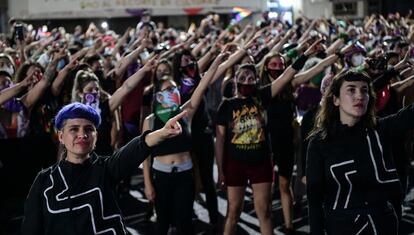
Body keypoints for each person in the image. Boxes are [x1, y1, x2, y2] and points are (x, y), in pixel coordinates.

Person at [21, 102, 187, 234]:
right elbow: (31, 228)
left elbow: (134, 150)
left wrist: (161, 133)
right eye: (74, 129)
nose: (82, 135)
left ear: (96, 136)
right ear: (61, 137)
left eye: (88, 129)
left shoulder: (105, 168)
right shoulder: (44, 181)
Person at [306, 70, 414, 234]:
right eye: (351, 90)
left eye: (364, 90)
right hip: (342, 227)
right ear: (335, 100)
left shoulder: (381, 129)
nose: (360, 96)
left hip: (384, 225)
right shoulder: (319, 142)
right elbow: (314, 199)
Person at [142, 52, 227, 235]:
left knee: (185, 223)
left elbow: (201, 85)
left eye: (173, 90)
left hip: (184, 174)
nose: (170, 94)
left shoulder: (184, 113)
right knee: (162, 224)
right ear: (158, 95)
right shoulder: (149, 120)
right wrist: (148, 184)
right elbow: (146, 156)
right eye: (165, 91)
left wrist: (217, 61)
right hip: (161, 176)